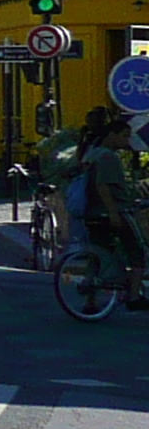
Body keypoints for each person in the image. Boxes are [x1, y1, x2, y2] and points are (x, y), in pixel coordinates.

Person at [72, 117, 147, 300]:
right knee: (137, 252)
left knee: (98, 254)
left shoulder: (92, 153)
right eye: (124, 136)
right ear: (112, 135)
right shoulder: (108, 156)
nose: (126, 141)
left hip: (92, 212)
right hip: (114, 211)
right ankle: (134, 296)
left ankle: (90, 301)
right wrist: (113, 212)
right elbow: (102, 186)